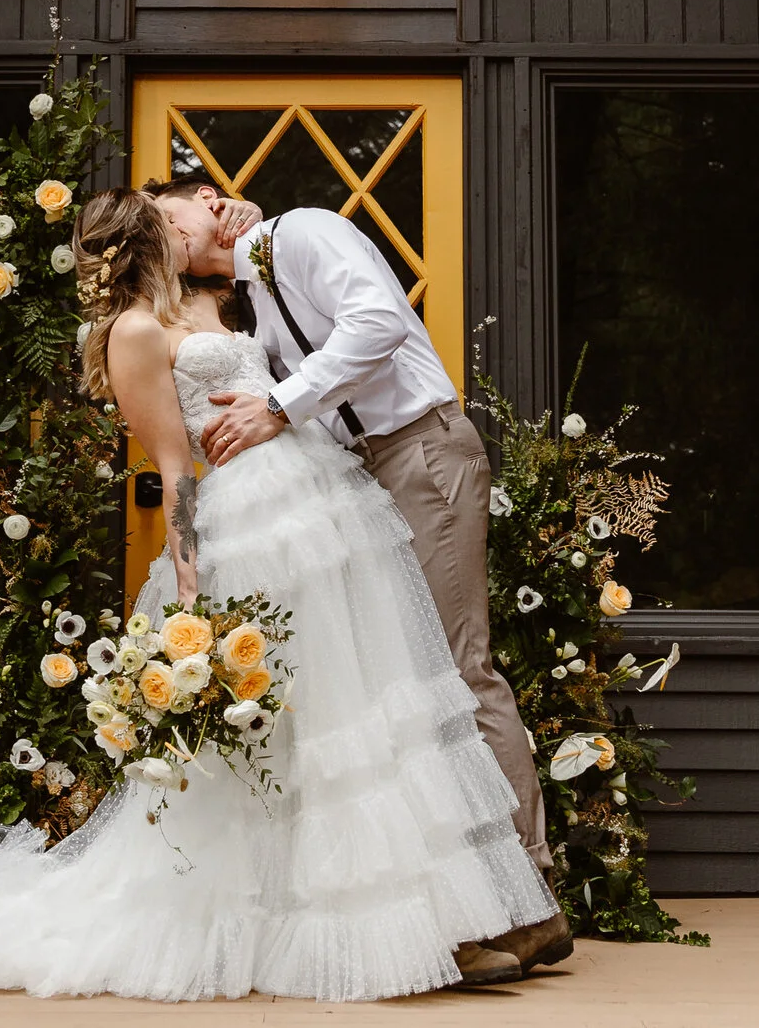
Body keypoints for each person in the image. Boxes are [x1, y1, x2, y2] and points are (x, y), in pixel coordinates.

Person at [0, 188, 557, 1001]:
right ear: (144, 239)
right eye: (165, 217)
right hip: (254, 529)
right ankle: (382, 930)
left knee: (363, 708)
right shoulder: (132, 330)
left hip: (325, 506)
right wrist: (189, 581)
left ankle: (443, 917)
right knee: (305, 727)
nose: (185, 220)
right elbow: (174, 468)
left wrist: (242, 221)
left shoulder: (217, 296)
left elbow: (291, 317)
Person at [149, 179, 570, 976]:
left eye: (174, 216)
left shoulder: (305, 233)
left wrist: (279, 404)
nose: (172, 235)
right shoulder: (251, 298)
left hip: (419, 450)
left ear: (211, 198)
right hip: (366, 474)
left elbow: (377, 322)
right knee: (408, 679)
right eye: (159, 232)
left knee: (458, 669)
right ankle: (472, 900)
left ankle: (528, 893)